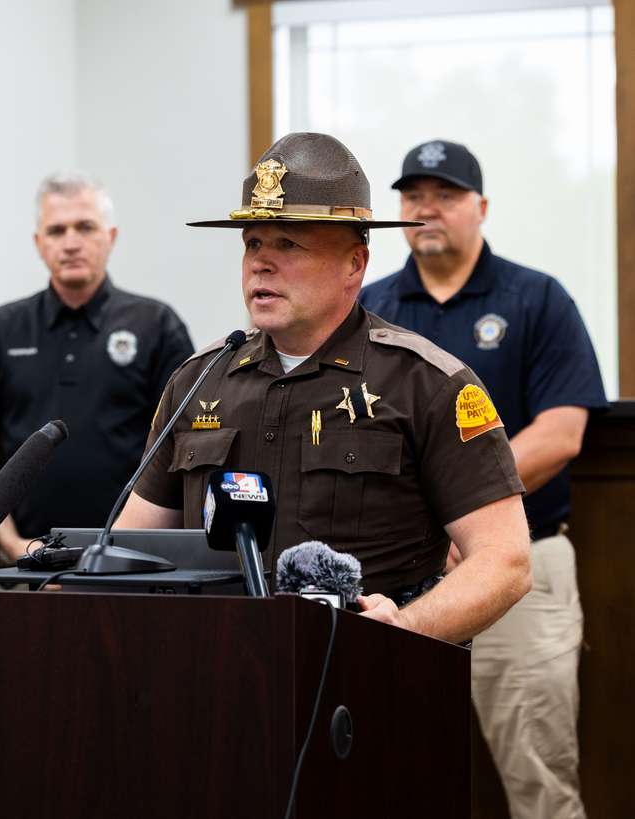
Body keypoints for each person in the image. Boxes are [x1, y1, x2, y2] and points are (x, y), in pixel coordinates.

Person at [114, 132, 531, 645]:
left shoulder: (426, 382)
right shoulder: (201, 380)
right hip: (219, 669)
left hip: (368, 673)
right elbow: (129, 550)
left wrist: (405, 627)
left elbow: (505, 561)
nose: (260, 263)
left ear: (354, 264)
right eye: (253, 244)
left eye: (288, 243)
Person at [359, 139, 605, 819]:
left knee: (538, 779)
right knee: (387, 775)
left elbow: (562, 433)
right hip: (397, 574)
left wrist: (467, 516)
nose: (425, 209)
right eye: (412, 197)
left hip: (517, 568)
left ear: (482, 207)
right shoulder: (368, 309)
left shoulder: (536, 298)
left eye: (444, 195)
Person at [0, 172, 193, 561]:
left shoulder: (157, 326)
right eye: (57, 231)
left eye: (86, 227)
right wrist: (12, 545)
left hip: (131, 564)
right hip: (21, 565)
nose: (71, 242)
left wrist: (122, 550)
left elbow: (182, 447)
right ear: (39, 244)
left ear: (110, 237)